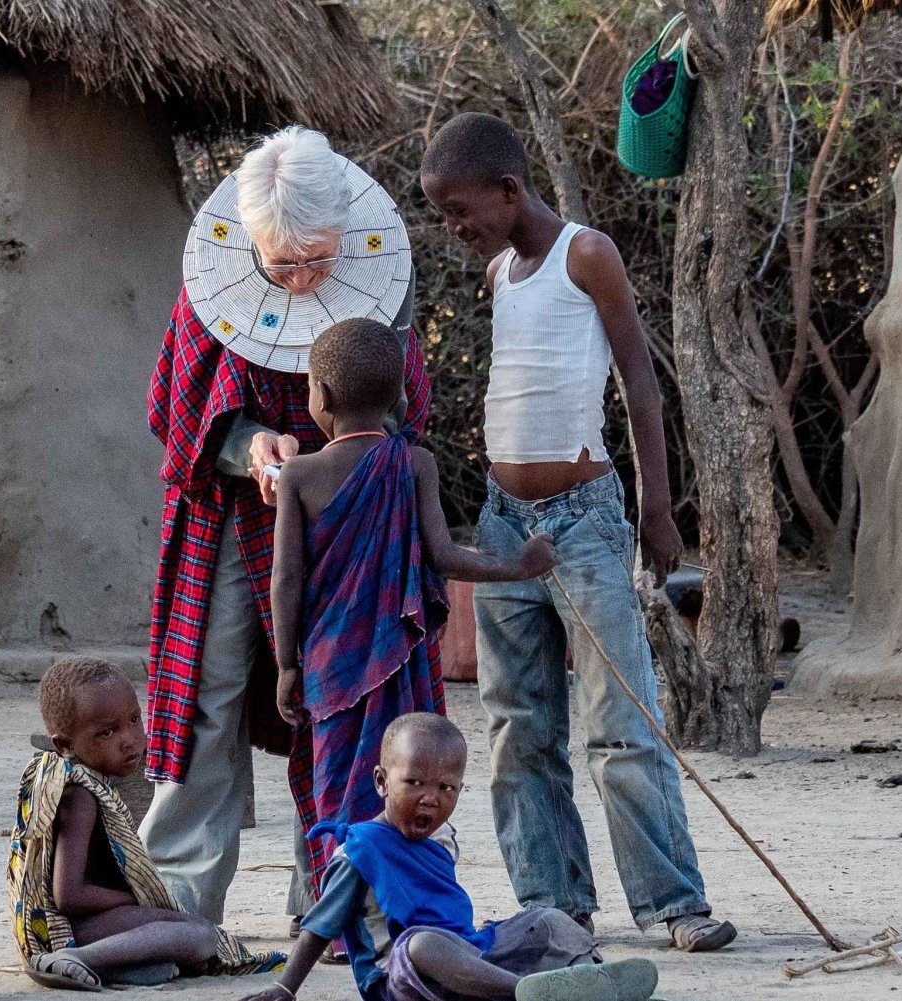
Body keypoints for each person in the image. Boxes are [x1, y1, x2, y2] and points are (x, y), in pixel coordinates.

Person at [418, 112, 735, 952]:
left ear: (509, 189)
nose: (456, 228)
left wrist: (659, 510)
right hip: (501, 524)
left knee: (618, 721)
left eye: (461, 210)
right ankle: (554, 900)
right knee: (516, 723)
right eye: (444, 215)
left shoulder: (585, 253)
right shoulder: (499, 274)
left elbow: (638, 382)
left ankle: (673, 904)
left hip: (585, 520)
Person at [145, 123, 433, 930]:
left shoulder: (385, 275)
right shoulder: (212, 279)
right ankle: (178, 902)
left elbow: (403, 405)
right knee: (211, 692)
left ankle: (340, 898)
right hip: (230, 516)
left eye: (318, 257)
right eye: (283, 262)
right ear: (250, 245)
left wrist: (326, 460)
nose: (302, 277)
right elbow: (172, 410)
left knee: (340, 700)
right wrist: (249, 445)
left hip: (350, 519)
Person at [270, 317, 559, 887]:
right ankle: (395, 901)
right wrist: (516, 566)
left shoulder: (298, 474)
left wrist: (286, 663)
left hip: (330, 664)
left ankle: (342, 914)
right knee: (397, 776)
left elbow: (286, 579)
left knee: (335, 784)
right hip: (396, 657)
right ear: (401, 396)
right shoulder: (413, 462)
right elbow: (445, 557)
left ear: (319, 396)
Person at [238, 714, 659, 1001]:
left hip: (466, 959)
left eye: (446, 788)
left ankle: (585, 980)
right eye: (415, 782)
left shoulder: (439, 845)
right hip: (399, 980)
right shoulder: (360, 850)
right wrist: (287, 988)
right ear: (382, 782)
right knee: (421, 942)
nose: (430, 798)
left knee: (547, 919)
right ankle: (525, 991)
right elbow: (317, 928)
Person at [7, 657, 283, 990]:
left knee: (177, 941)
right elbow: (68, 896)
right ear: (65, 745)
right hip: (70, 929)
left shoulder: (86, 781)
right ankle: (78, 960)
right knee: (198, 936)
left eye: (135, 720)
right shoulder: (78, 796)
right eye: (108, 731)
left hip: (95, 922)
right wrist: (135, 896)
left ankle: (116, 966)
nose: (130, 739)